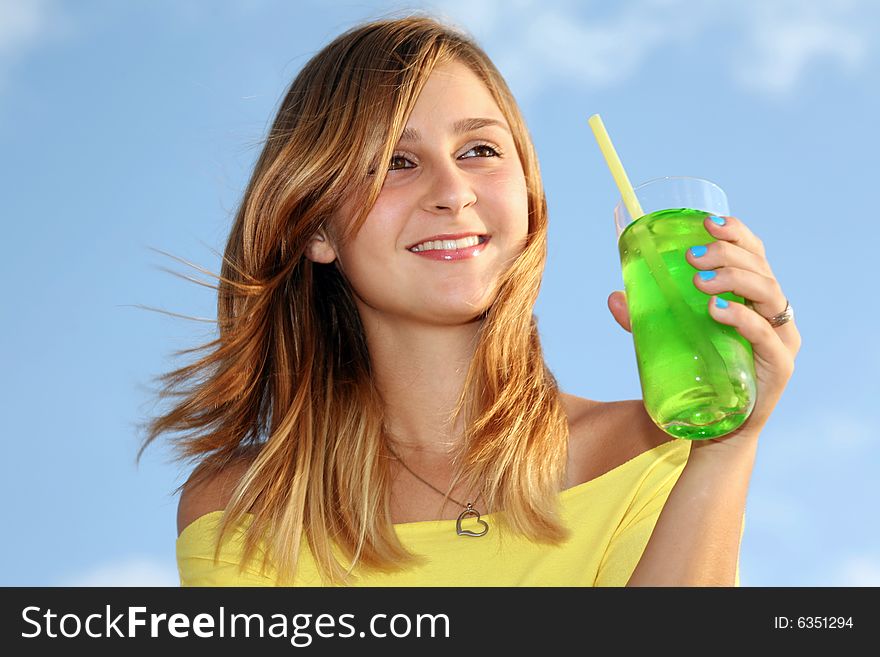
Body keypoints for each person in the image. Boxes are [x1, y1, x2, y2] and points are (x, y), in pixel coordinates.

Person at [139, 15, 801, 587]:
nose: (453, 191)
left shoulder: (654, 451)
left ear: (529, 198)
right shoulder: (243, 507)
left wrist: (725, 446)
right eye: (398, 161)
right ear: (316, 227)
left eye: (479, 149)